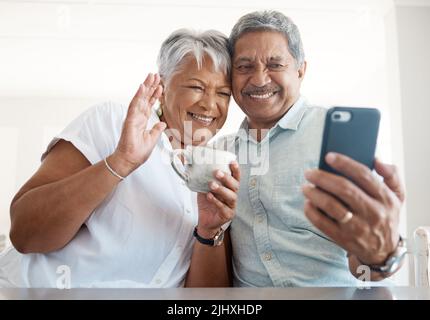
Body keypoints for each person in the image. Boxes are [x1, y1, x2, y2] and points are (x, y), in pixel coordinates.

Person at [0, 29, 239, 288]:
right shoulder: (112, 122)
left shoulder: (214, 171)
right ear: (162, 85)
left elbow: (204, 301)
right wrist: (120, 162)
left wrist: (209, 232)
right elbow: (24, 234)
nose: (210, 104)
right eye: (196, 87)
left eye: (224, 94)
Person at [205, 10, 405, 287]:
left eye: (275, 64)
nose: (260, 79)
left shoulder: (334, 136)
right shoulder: (219, 152)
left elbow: (368, 263)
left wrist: (382, 256)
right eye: (244, 66)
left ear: (300, 70)